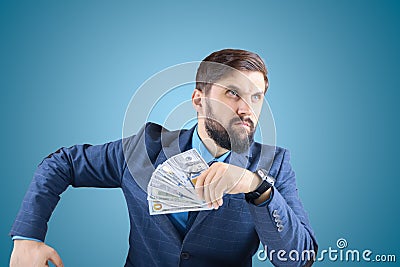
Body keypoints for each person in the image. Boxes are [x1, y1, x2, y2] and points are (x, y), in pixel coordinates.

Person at [9, 49, 318, 267]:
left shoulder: (273, 166)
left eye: (256, 97)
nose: (246, 109)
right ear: (199, 100)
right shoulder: (145, 148)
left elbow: (299, 259)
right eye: (233, 93)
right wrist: (27, 237)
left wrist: (256, 187)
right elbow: (61, 163)